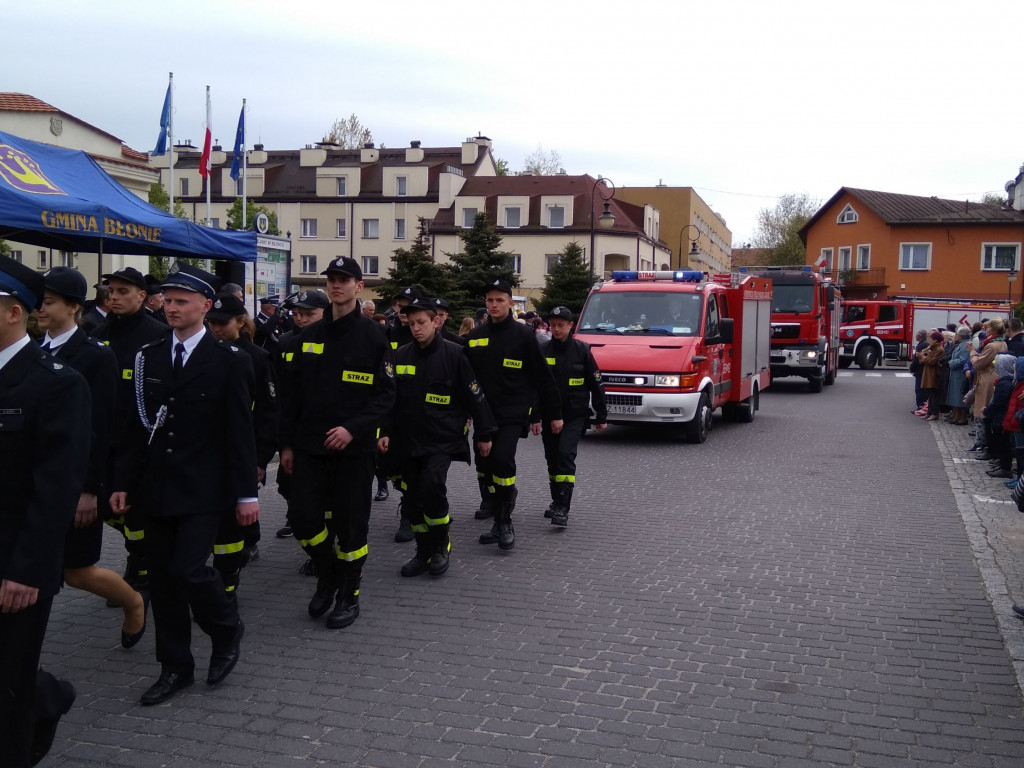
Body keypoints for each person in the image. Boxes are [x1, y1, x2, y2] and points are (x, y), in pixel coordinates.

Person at [110, 263, 257, 706]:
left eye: (181, 301)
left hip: (203, 486)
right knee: (163, 580)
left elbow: (239, 432)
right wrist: (120, 481)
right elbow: (131, 428)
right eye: (167, 300)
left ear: (205, 306)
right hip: (154, 486)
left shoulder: (230, 361)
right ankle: (175, 666)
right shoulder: (148, 356)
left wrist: (246, 494)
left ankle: (225, 627)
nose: (171, 308)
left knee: (190, 569)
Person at [0, 254, 90, 767]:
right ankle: (47, 695)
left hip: (15, 562)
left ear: (15, 312)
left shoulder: (56, 383)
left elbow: (55, 488)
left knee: (6, 683)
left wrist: (28, 570)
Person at [279, 256, 395, 629]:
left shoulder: (375, 336)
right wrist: (287, 445)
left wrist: (353, 429)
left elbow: (385, 395)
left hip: (353, 449)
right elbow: (291, 397)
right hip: (310, 445)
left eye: (344, 279)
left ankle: (349, 591)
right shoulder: (308, 337)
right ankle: (329, 573)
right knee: (302, 517)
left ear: (359, 287)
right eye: (332, 279)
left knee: (351, 524)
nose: (336, 285)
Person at [36, 268, 148, 648]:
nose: (40, 308)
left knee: (77, 571)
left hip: (76, 479)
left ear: (73, 307)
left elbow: (100, 428)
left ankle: (133, 601)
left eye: (49, 302)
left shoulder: (94, 355)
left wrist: (89, 490)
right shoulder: (35, 352)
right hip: (38, 479)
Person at [379, 296, 497, 577]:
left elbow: (475, 396)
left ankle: (440, 544)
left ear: (435, 321)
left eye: (422, 322)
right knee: (412, 496)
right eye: (411, 322)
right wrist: (383, 431)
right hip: (409, 439)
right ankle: (422, 550)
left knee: (432, 486)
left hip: (442, 438)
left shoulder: (455, 355)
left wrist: (484, 433)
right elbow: (388, 399)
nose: (416, 328)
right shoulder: (401, 355)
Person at [465, 278, 563, 550]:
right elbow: (463, 378)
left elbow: (543, 378)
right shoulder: (475, 337)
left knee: (502, 458)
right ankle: (500, 510)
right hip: (484, 414)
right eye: (490, 300)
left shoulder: (523, 335)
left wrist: (553, 414)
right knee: (485, 467)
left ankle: (504, 521)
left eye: (499, 300)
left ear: (510, 302)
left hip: (511, 413)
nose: (494, 305)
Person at [93, 266, 170, 593]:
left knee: (135, 511)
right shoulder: (98, 334)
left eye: (123, 292)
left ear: (142, 296)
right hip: (105, 439)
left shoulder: (157, 336)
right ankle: (142, 553)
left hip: (142, 440)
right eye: (112, 291)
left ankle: (140, 563)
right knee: (106, 506)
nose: (115, 297)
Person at [206, 292, 280, 587]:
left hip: (244, 447)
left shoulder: (257, 358)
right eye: (211, 322)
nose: (216, 328)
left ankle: (235, 565)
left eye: (222, 323)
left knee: (237, 509)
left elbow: (268, 413)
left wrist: (261, 459)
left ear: (240, 322)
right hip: (210, 450)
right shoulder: (205, 353)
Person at [536, 307, 608, 527]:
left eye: (561, 325)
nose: (556, 329)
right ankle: (556, 500)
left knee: (565, 454)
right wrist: (534, 417)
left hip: (575, 415)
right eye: (553, 324)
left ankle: (563, 507)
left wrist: (601, 415)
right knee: (552, 459)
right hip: (550, 416)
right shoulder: (543, 350)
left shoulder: (582, 350)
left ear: (570, 325)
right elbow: (536, 387)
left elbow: (597, 384)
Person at [273, 289, 330, 540]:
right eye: (297, 314)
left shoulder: (330, 342)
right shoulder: (285, 342)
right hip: (293, 425)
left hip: (324, 430)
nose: (301, 319)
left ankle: (323, 536)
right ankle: (295, 515)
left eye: (308, 314)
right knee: (286, 483)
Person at [970, 318, 1008, 457]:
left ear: (993, 329)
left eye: (987, 328)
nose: (985, 331)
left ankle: (986, 446)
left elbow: (978, 364)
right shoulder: (1002, 342)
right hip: (992, 378)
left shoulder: (992, 346)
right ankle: (987, 446)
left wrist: (973, 353)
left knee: (984, 413)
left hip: (987, 379)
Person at [984, 354, 1017, 479]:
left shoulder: (1005, 382)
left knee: (1003, 443)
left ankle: (1005, 467)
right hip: (1001, 416)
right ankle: (1002, 464)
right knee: (1002, 443)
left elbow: (999, 401)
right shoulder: (1006, 381)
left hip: (1001, 417)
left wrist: (988, 411)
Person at [945, 326, 972, 425]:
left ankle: (962, 417)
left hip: (960, 373)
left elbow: (963, 359)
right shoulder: (962, 344)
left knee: (959, 396)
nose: (955, 336)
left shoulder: (966, 344)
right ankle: (956, 415)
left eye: (957, 334)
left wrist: (950, 363)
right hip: (956, 373)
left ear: (961, 336)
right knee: (955, 396)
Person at [917, 331, 945, 421]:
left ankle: (934, 413)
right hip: (929, 372)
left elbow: (931, 361)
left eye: (931, 338)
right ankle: (929, 412)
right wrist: (922, 356)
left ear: (935, 340)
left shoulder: (939, 349)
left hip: (933, 374)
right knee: (929, 394)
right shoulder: (933, 348)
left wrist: (922, 357)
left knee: (934, 394)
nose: (929, 340)